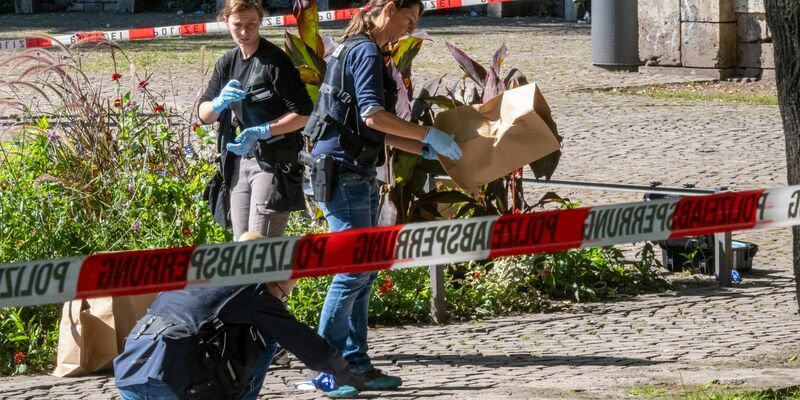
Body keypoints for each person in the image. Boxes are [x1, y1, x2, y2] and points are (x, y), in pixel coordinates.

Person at [301, 0, 463, 390]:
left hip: (352, 169)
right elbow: (374, 114)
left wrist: (421, 148)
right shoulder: (366, 51)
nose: (408, 29)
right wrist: (427, 134)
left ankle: (356, 363)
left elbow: (368, 126)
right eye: (408, 19)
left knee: (364, 270)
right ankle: (328, 367)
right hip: (344, 174)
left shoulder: (354, 46)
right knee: (353, 269)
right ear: (389, 9)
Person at [114, 233, 364, 400]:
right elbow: (306, 344)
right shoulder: (254, 290)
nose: (280, 302)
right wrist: (346, 375)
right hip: (173, 382)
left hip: (130, 373)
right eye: (282, 294)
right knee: (267, 338)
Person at [198, 0, 312, 241]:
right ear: (226, 22)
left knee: (260, 245)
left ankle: (272, 281)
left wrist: (263, 130)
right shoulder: (227, 62)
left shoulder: (275, 61)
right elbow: (204, 114)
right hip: (239, 161)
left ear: (260, 22)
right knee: (242, 246)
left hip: (273, 162)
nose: (244, 32)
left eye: (251, 24)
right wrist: (218, 103)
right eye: (237, 24)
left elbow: (304, 114)